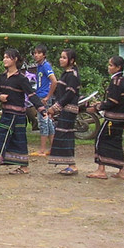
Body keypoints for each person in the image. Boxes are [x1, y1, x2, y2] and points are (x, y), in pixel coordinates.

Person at [0, 49, 46, 174]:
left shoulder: (21, 79)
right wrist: (0, 97)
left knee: (14, 139)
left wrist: (42, 110)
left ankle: (14, 167)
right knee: (3, 137)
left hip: (17, 115)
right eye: (4, 57)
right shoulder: (3, 77)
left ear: (15, 59)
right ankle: (1, 165)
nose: (5, 59)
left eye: (8, 57)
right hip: (7, 114)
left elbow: (31, 95)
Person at [87, 56, 124, 179]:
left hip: (113, 118)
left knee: (100, 139)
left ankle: (101, 169)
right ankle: (121, 170)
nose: (109, 67)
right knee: (116, 142)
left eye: (111, 65)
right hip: (121, 118)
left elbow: (112, 102)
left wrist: (98, 107)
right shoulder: (123, 80)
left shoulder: (116, 82)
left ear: (118, 67)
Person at [47, 48, 80, 176]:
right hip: (63, 109)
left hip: (69, 109)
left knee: (65, 135)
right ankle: (70, 164)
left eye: (64, 57)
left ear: (71, 60)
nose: (61, 59)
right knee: (63, 134)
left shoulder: (72, 75)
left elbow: (68, 95)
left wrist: (55, 107)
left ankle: (72, 165)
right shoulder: (66, 74)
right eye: (61, 57)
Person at [31, 44, 58, 157]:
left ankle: (42, 149)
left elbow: (54, 81)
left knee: (43, 123)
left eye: (38, 53)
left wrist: (48, 96)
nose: (36, 55)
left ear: (44, 55)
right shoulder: (39, 66)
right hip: (40, 95)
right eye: (35, 53)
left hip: (43, 98)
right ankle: (53, 148)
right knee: (49, 123)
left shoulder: (46, 66)